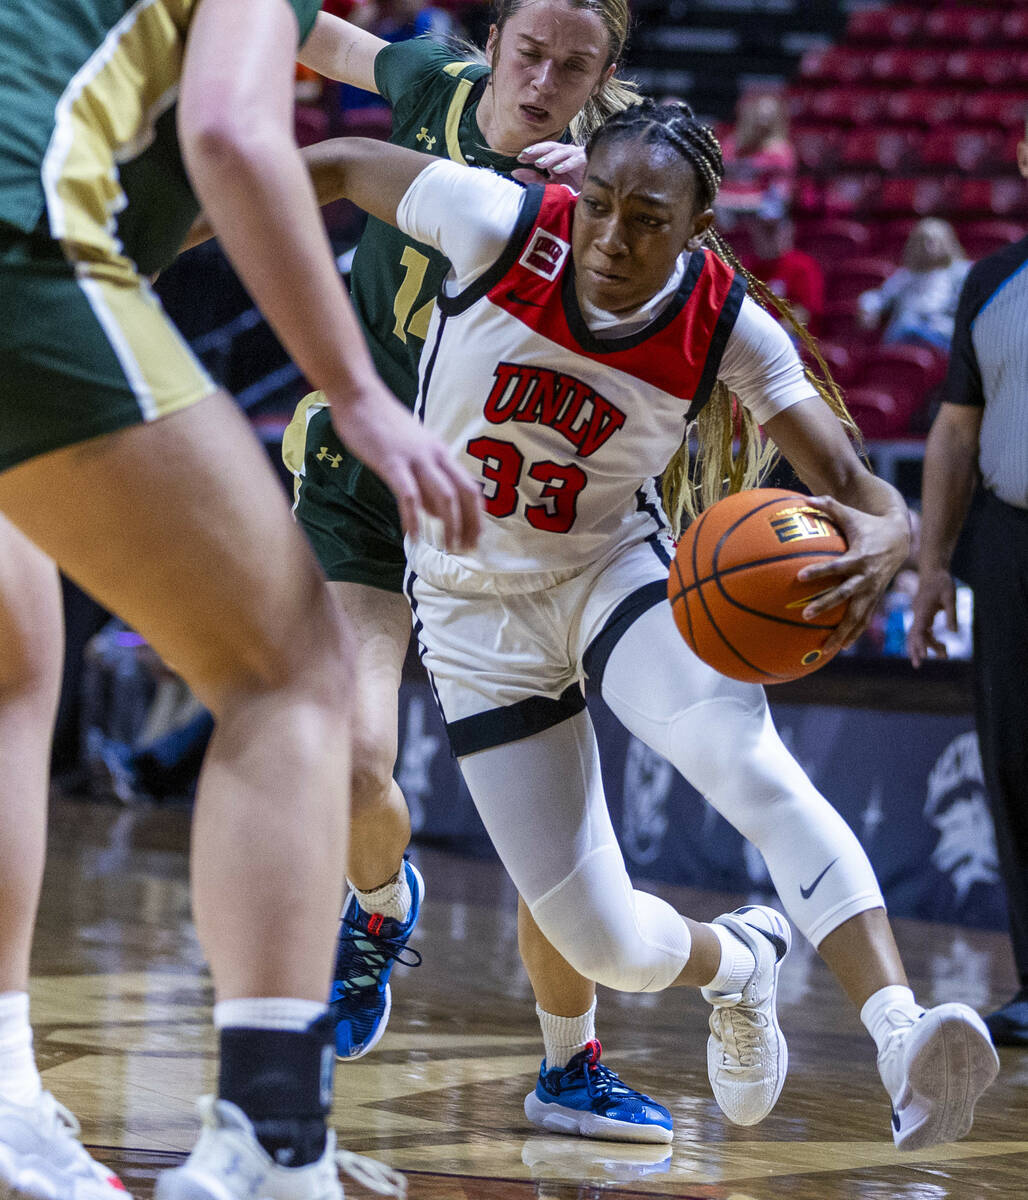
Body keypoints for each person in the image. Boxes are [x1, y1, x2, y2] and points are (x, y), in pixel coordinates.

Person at [312, 98, 1000, 1149]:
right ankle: (739, 962)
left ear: (694, 227)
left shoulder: (725, 322)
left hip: (607, 576)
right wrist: (148, 231)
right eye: (597, 205)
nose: (611, 237)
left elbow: (861, 488)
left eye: (645, 218)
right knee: (603, 946)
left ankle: (900, 1033)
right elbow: (347, 160)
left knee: (747, 765)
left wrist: (890, 534)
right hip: (464, 615)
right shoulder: (496, 223)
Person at [0, 0, 481, 1196]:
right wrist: (356, 391)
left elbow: (343, 70)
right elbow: (231, 128)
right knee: (292, 671)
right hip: (20, 244)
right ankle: (275, 1139)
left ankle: (3, 1089)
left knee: (11, 662)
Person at [286, 0, 681, 1144]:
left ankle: (570, 1065)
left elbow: (685, 333)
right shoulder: (431, 84)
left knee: (552, 834)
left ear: (609, 71)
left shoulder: (627, 175)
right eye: (527, 52)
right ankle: (374, 911)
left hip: (510, 509)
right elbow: (308, 37)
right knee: (354, 755)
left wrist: (597, 221)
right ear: (493, 41)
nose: (543, 79)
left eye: (575, 64)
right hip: (368, 476)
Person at [909, 119, 1028, 1050]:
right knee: (1018, 765)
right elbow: (955, 430)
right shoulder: (991, 282)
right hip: (1011, 542)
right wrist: (936, 562)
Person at [857, 218, 971, 354]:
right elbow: (879, 296)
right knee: (906, 324)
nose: (926, 247)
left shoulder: (960, 272)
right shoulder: (906, 275)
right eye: (921, 241)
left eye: (932, 241)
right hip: (906, 332)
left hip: (942, 333)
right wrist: (868, 307)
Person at [715, 89, 796, 233]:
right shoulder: (732, 144)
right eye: (759, 115)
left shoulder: (782, 151)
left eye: (769, 117)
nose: (763, 120)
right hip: (731, 199)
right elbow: (720, 178)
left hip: (763, 204)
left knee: (771, 211)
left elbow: (782, 194)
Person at [743, 194, 824, 336]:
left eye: (774, 229)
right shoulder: (746, 267)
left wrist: (769, 336)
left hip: (791, 345)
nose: (770, 236)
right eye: (765, 229)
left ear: (788, 229)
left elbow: (804, 313)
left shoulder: (803, 266)